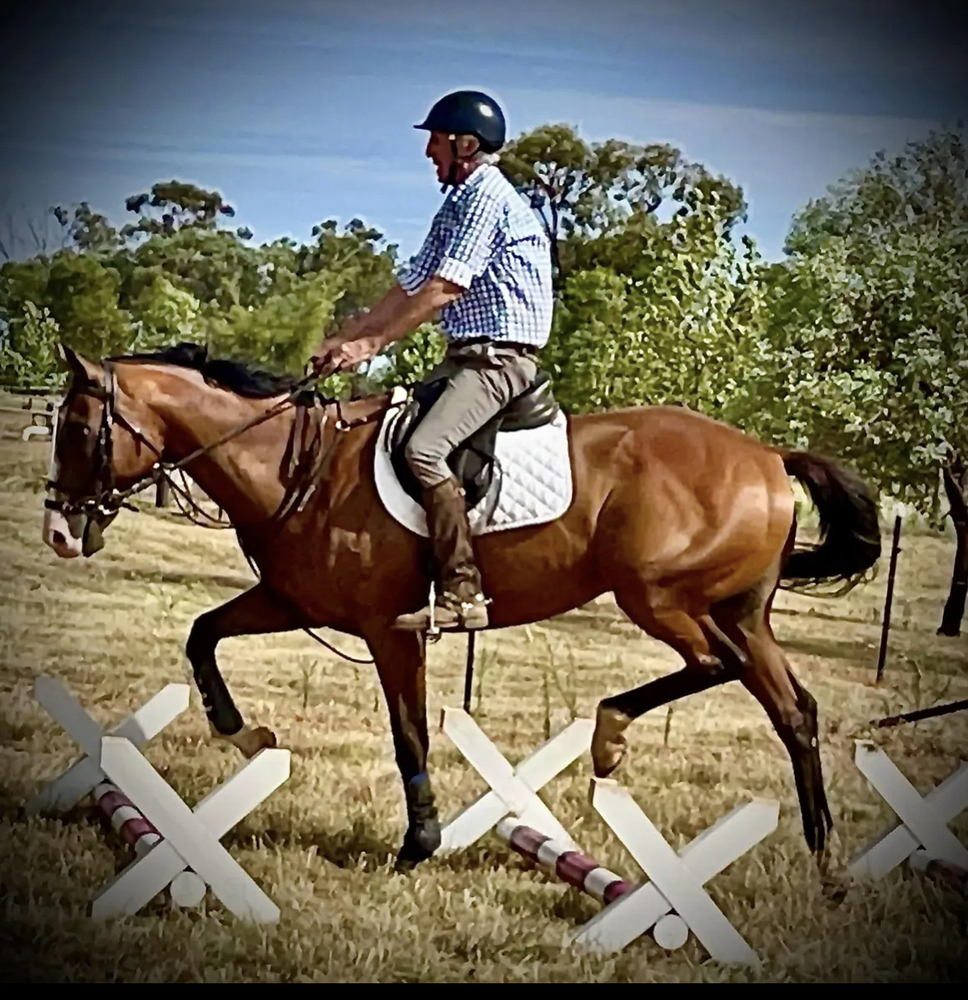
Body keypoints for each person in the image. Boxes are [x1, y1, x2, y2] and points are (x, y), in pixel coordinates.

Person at [310, 90, 554, 632]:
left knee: (424, 451)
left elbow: (444, 287)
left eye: (436, 141)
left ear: (467, 145)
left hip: (498, 364)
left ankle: (462, 592)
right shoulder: (459, 201)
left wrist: (372, 347)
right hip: (465, 359)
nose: (428, 153)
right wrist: (342, 339)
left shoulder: (488, 197)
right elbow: (412, 282)